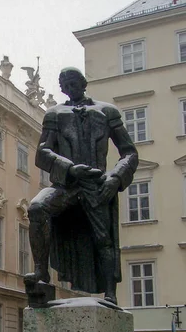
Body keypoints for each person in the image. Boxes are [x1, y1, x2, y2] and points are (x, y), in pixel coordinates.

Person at [27, 67, 139, 305]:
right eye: (64, 83)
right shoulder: (55, 114)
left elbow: (129, 152)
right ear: (62, 88)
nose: (69, 86)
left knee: (103, 237)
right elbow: (42, 153)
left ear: (83, 82)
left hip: (97, 184)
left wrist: (116, 178)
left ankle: (110, 292)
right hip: (66, 184)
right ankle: (41, 272)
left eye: (73, 81)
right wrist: (68, 168)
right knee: (37, 208)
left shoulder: (107, 111)